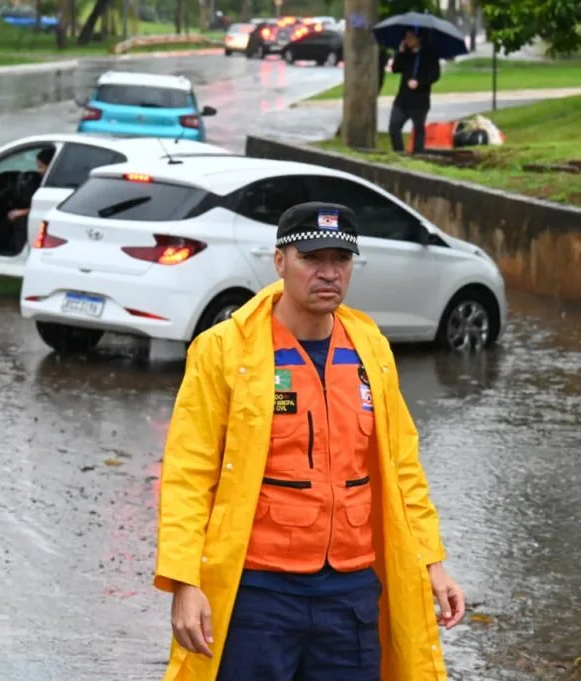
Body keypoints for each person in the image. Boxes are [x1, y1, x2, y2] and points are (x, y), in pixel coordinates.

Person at [155, 201, 465, 681]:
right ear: (280, 263)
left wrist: (432, 563)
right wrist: (184, 581)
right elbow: (188, 475)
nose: (328, 274)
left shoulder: (370, 348)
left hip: (351, 595)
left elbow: (403, 469)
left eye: (340, 261)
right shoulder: (224, 351)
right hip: (259, 592)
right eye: (311, 259)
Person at [388, 28, 441, 154]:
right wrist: (400, 52)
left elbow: (435, 75)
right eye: (406, 37)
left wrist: (420, 82)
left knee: (418, 129)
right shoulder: (405, 54)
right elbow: (395, 68)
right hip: (403, 99)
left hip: (419, 100)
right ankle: (399, 152)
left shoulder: (429, 55)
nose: (408, 40)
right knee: (394, 126)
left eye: (411, 37)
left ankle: (418, 153)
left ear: (419, 39)